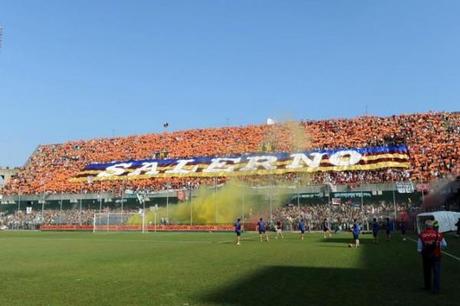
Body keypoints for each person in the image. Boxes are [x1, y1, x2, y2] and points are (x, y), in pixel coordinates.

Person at [417, 220, 447, 294]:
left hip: (426, 255)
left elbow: (419, 248)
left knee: (427, 271)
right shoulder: (438, 234)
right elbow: (445, 245)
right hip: (437, 254)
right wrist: (438, 247)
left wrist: (424, 251)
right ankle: (436, 289)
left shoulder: (422, 234)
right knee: (436, 272)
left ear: (425, 226)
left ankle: (427, 286)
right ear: (432, 226)